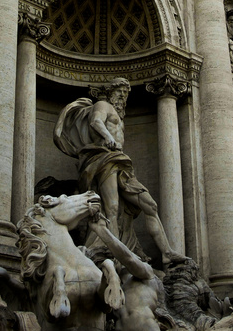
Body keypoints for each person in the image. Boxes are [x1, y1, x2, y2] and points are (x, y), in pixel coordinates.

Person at [54, 77, 183, 264]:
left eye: (125, 93)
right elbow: (95, 122)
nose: (123, 96)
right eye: (120, 91)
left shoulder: (118, 114)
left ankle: (167, 252)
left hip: (120, 161)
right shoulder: (103, 105)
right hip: (104, 158)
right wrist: (107, 137)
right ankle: (113, 252)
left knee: (150, 205)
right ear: (110, 92)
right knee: (111, 208)